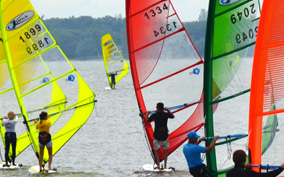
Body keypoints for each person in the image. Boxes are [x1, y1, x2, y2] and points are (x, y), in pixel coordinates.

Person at [146, 102, 175, 169]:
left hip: (157, 134)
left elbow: (147, 120)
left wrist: (147, 114)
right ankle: (165, 165)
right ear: (162, 108)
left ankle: (158, 165)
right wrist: (167, 110)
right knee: (165, 150)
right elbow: (173, 116)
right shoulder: (166, 114)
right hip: (164, 134)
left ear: (158, 108)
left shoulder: (154, 115)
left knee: (156, 150)